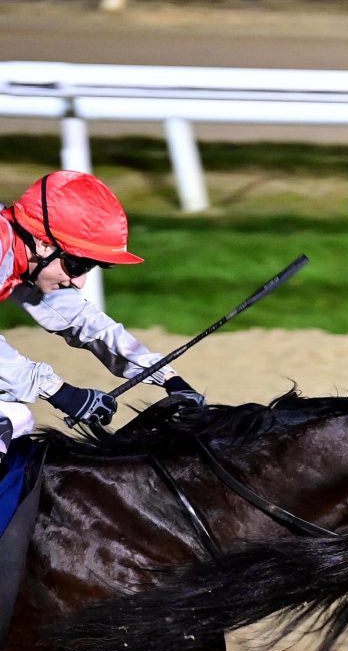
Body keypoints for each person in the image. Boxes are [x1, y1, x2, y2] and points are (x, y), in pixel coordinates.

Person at [1, 170, 202, 457]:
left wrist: (168, 377)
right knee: (9, 419)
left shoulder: (22, 251)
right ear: (44, 242)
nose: (79, 282)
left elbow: (82, 320)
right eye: (77, 265)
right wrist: (61, 391)